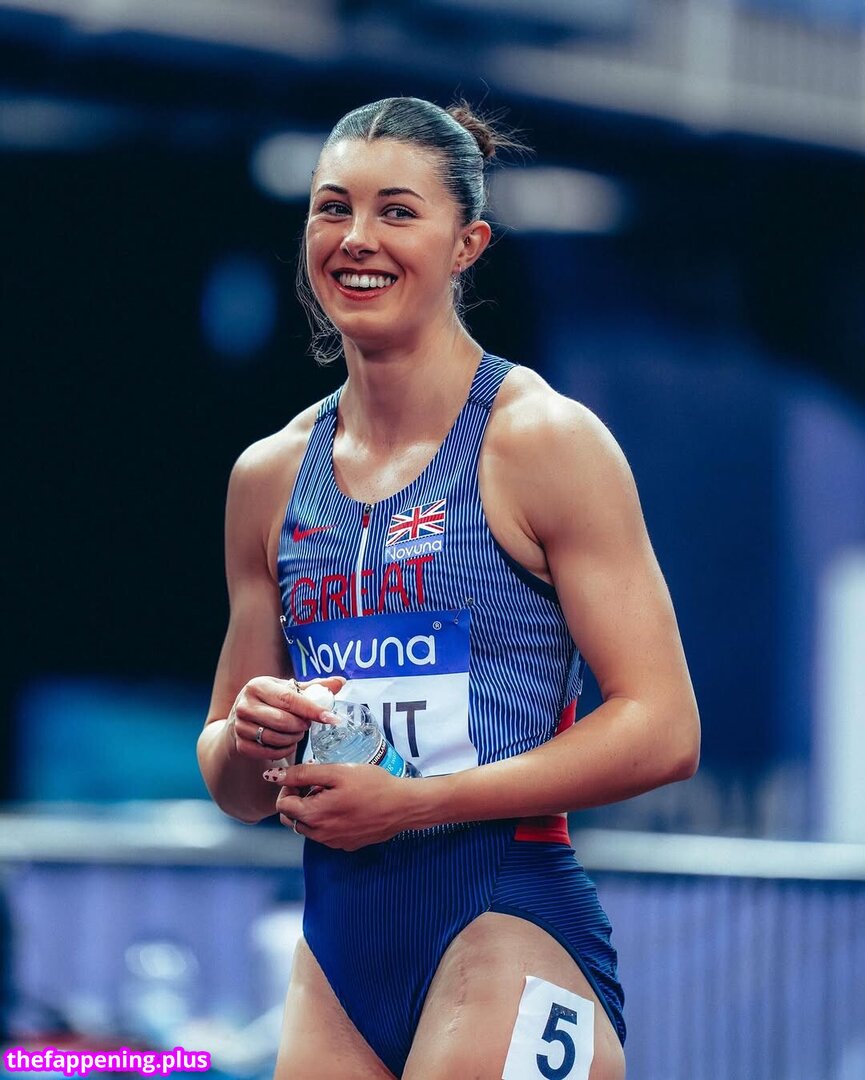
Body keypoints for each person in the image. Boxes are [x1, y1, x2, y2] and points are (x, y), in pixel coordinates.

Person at [197, 96, 700, 1080]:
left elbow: (663, 728)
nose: (356, 238)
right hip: (338, 951)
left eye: (397, 210)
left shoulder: (540, 441)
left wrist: (415, 803)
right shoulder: (269, 475)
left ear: (467, 244)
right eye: (332, 208)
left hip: (505, 922)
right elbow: (235, 787)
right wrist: (249, 733)